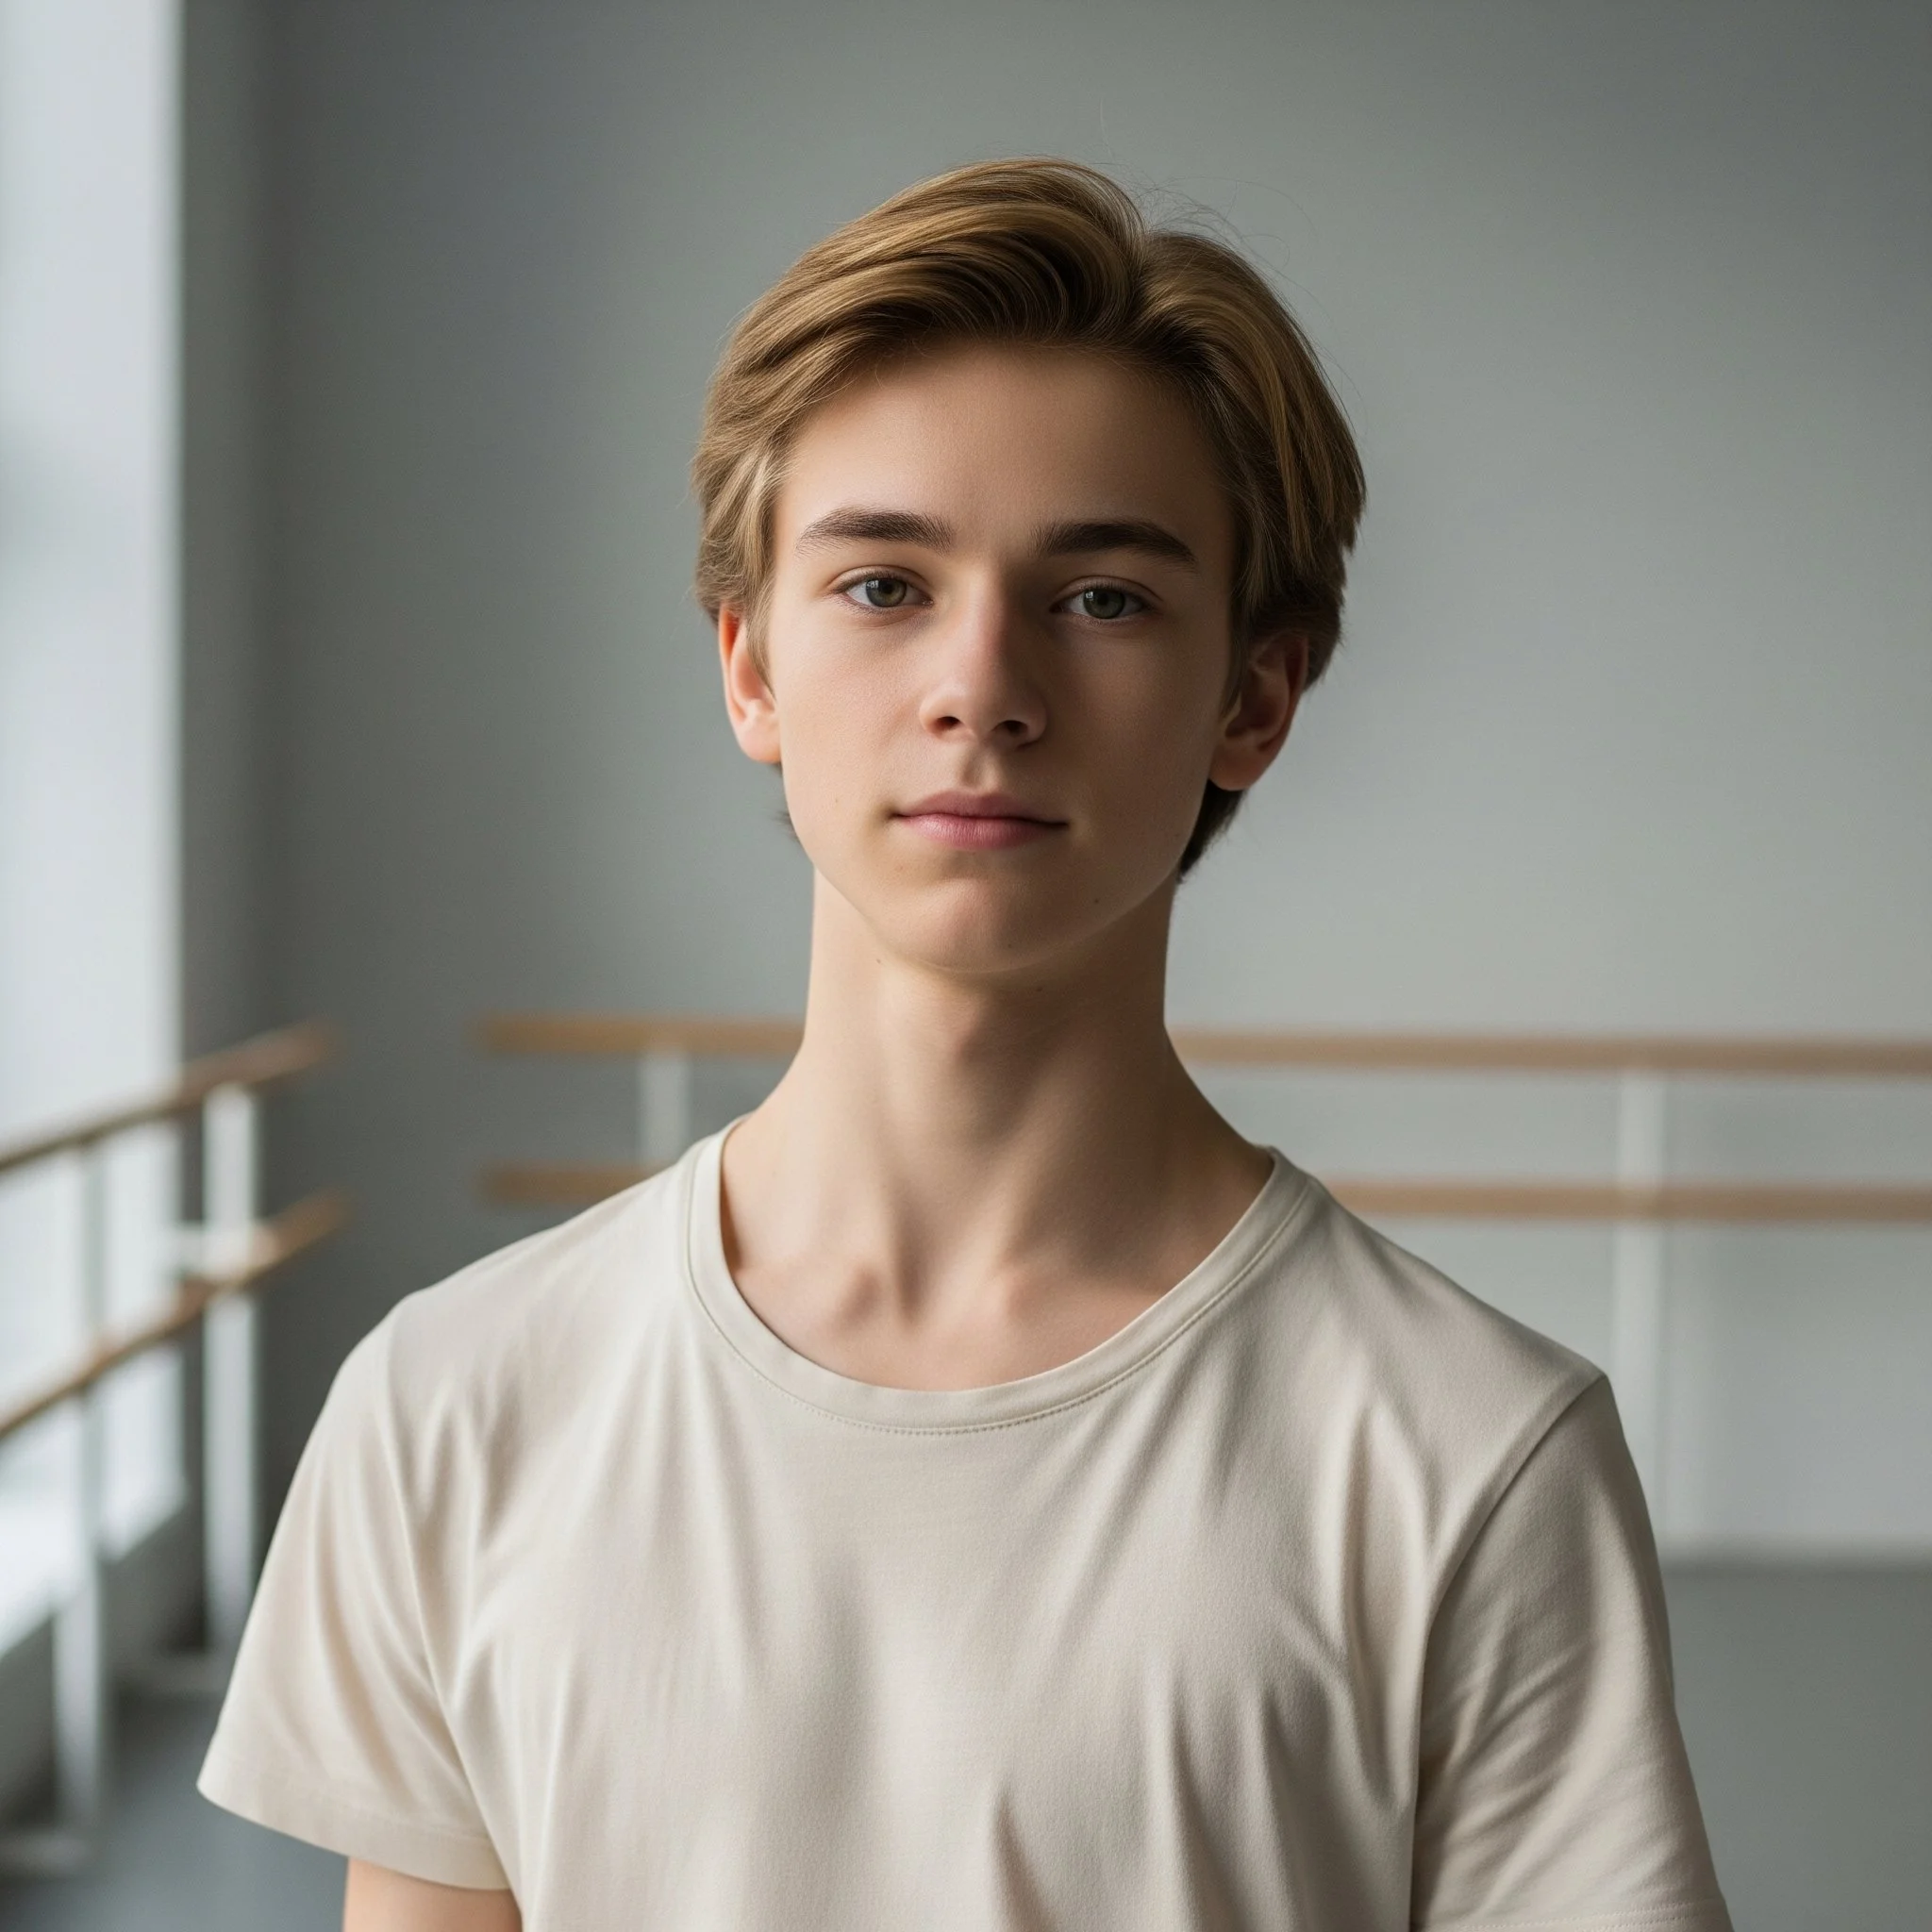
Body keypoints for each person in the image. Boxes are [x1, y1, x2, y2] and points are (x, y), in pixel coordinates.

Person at [199, 158, 1731, 1932]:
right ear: (749, 667)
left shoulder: (1470, 1454)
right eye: (881, 586)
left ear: (1256, 695)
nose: (983, 687)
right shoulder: (453, 1404)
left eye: (1104, 599)